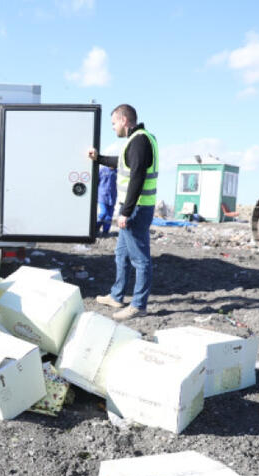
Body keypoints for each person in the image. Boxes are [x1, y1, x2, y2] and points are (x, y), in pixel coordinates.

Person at [88, 104, 158, 321]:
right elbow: (123, 164)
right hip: (133, 208)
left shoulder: (140, 141)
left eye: (113, 123)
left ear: (124, 120)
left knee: (140, 259)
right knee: (121, 254)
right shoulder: (138, 140)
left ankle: (138, 305)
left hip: (136, 210)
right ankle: (117, 296)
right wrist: (98, 158)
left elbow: (137, 177)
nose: (113, 128)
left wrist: (125, 212)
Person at [96, 165, 117, 236]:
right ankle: (95, 228)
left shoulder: (117, 171)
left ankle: (106, 231)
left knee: (109, 216)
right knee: (103, 212)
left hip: (112, 197)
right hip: (102, 195)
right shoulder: (102, 170)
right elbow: (96, 182)